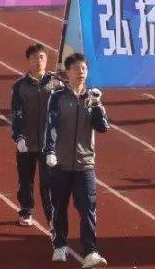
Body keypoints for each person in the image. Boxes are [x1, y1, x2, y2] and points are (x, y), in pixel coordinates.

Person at [45, 53, 109, 268]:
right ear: (68, 71)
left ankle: (90, 251)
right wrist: (50, 151)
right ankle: (60, 245)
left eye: (84, 68)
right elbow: (51, 126)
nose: (81, 72)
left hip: (85, 164)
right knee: (59, 207)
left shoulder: (92, 98)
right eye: (76, 68)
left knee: (88, 208)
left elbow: (103, 128)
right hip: (61, 163)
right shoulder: (58, 97)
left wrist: (98, 105)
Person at [10, 43, 61, 227]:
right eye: (33, 58)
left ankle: (52, 217)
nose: (37, 61)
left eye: (41, 57)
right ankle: (26, 210)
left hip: (49, 144)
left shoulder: (57, 84)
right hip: (27, 142)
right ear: (28, 61)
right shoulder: (20, 86)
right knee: (25, 180)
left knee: (48, 183)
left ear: (46, 60)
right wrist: (19, 137)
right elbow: (16, 112)